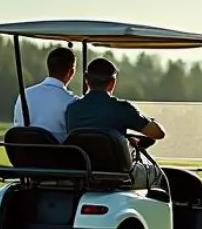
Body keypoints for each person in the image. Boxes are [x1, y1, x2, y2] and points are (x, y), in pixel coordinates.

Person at [65, 57, 166, 190]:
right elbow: (158, 133)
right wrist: (150, 120)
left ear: (86, 80)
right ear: (112, 82)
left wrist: (125, 141)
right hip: (118, 176)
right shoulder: (123, 108)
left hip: (82, 175)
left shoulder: (72, 109)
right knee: (158, 174)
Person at [12, 46, 78, 141]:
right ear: (71, 72)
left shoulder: (25, 95)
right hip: (56, 154)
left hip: (24, 153)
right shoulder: (72, 101)